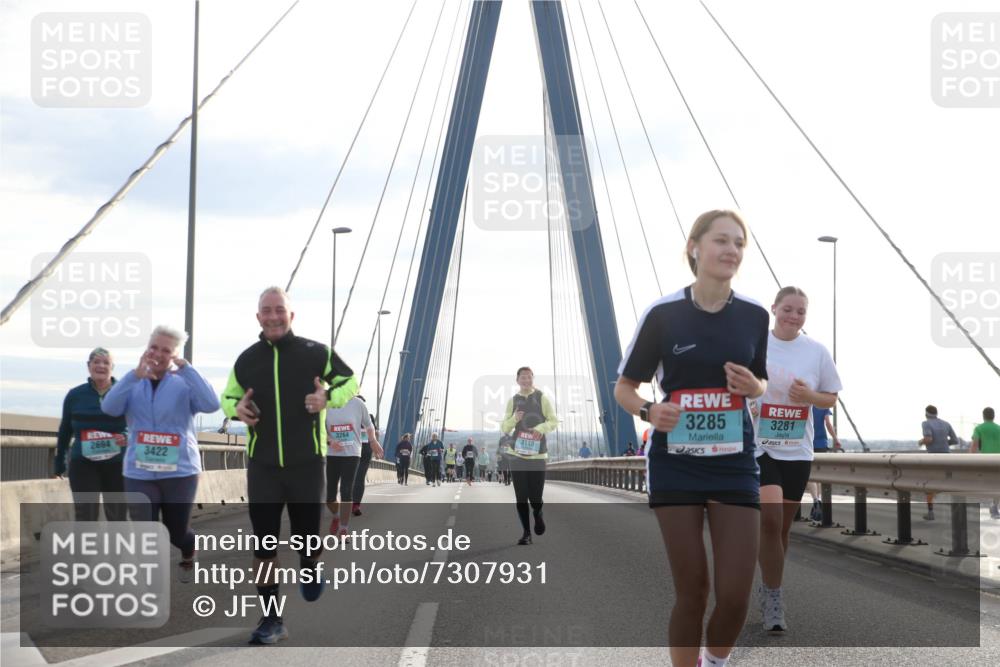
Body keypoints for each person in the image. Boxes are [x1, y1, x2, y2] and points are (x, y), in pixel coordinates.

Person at [614, 209, 768, 667]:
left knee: (737, 595)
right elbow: (624, 386)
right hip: (676, 462)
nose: (731, 251)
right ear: (695, 248)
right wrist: (648, 410)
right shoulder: (663, 315)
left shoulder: (755, 316)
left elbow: (760, 381)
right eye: (722, 241)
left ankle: (714, 661)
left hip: (735, 462)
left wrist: (753, 388)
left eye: (739, 243)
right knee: (693, 590)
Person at [220, 286, 357, 645]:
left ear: (291, 315)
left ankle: (310, 565)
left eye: (279, 309)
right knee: (264, 544)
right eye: (266, 310)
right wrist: (236, 409)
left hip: (307, 465)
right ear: (258, 317)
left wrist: (327, 396)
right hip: (263, 465)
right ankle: (271, 619)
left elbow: (349, 381)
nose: (273, 315)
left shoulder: (316, 353)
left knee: (306, 537)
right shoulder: (246, 360)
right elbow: (229, 395)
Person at [752, 287, 842, 634]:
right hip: (761, 446)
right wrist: (750, 400)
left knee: (783, 529)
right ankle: (775, 600)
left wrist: (808, 395)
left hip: (797, 448)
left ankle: (769, 584)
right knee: (771, 522)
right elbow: (736, 386)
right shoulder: (756, 344)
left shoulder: (816, 351)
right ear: (774, 309)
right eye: (787, 309)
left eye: (800, 311)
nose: (793, 316)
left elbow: (829, 398)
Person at [102, 327, 219, 582]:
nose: (158, 353)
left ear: (175, 355)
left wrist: (187, 369)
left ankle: (188, 549)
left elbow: (212, 404)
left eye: (166, 350)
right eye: (154, 347)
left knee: (177, 533)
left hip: (180, 471)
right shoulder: (132, 382)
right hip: (139, 471)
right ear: (147, 348)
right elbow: (109, 408)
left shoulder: (184, 383)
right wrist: (133, 376)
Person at [55, 347, 128, 522]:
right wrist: (59, 463)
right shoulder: (75, 395)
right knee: (85, 515)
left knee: (117, 516)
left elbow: (138, 424)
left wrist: (127, 435)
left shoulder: (124, 393)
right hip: (83, 463)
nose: (101, 366)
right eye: (96, 362)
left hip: (117, 463)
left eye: (106, 362)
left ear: (113, 367)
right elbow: (65, 430)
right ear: (89, 366)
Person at [501, 367, 559, 545]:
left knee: (535, 496)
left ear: (533, 379)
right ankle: (526, 533)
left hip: (538, 455)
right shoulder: (513, 400)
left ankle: (538, 512)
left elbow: (553, 420)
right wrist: (514, 419)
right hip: (516, 454)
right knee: (521, 496)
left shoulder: (541, 397)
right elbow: (505, 428)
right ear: (517, 380)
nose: (526, 380)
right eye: (522, 377)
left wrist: (541, 429)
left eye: (529, 377)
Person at [326, 395, 382, 539]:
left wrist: (373, 441)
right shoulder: (326, 403)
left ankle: (343, 529)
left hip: (352, 453)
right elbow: (318, 428)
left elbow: (369, 425)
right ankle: (336, 516)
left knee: (346, 490)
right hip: (332, 453)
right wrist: (330, 440)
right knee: (329, 495)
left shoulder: (358, 404)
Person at [919, 404, 958, 520]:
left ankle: (931, 513)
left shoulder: (926, 423)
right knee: (950, 484)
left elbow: (929, 439)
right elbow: (955, 440)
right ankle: (955, 512)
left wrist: (920, 442)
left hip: (934, 459)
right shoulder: (946, 423)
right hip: (947, 458)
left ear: (926, 413)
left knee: (929, 485)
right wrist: (945, 444)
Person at [805, 406, 840, 521]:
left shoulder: (806, 401)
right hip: (821, 443)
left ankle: (815, 499)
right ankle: (818, 500)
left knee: (809, 473)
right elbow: (828, 424)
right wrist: (835, 438)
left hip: (806, 441)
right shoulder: (822, 403)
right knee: (818, 473)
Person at [970, 407, 1000, 519]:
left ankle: (993, 506)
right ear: (994, 416)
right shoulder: (999, 428)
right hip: (998, 460)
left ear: (983, 416)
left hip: (986, 461)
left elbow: (974, 445)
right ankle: (994, 506)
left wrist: (970, 461)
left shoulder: (979, 428)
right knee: (997, 485)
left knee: (990, 484)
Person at [352, 406, 381, 516]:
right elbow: (376, 433)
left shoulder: (348, 416)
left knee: (353, 478)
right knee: (359, 478)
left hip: (353, 451)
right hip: (365, 451)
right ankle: (356, 505)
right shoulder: (369, 417)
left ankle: (352, 503)